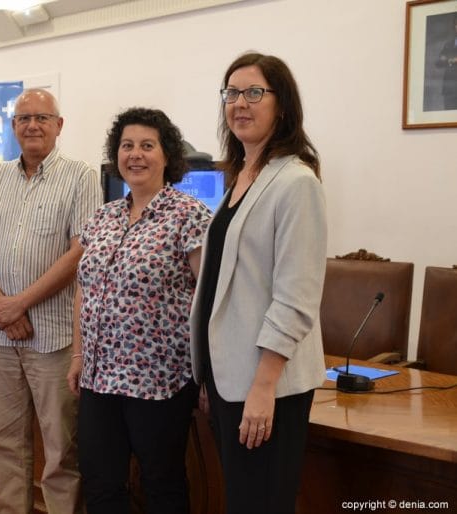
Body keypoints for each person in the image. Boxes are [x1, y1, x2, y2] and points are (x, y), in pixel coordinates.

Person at [189, 52, 327, 514]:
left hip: (268, 383)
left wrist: (263, 386)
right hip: (230, 377)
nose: (239, 104)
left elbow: (296, 298)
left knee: (262, 504)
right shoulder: (242, 177)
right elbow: (220, 284)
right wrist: (207, 370)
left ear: (281, 105)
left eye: (254, 93)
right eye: (231, 93)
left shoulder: (295, 182)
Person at [67, 107, 212, 514]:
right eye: (127, 146)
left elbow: (212, 301)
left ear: (167, 156)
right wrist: (78, 354)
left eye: (148, 146)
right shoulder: (103, 217)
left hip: (160, 381)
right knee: (100, 483)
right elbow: (85, 289)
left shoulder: (190, 216)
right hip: (99, 378)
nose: (136, 154)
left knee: (161, 484)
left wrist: (208, 376)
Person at [0, 88, 101, 514]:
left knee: (61, 450)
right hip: (3, 337)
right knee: (4, 441)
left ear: (59, 125)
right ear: (13, 128)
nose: (32, 126)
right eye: (24, 119)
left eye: (42, 118)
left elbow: (80, 250)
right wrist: (0, 304)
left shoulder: (81, 177)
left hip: (55, 339)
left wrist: (18, 303)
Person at [436, 15, 457, 110]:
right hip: (449, 89)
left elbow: (444, 59)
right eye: (456, 24)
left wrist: (447, 59)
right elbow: (438, 63)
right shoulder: (448, 44)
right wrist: (451, 60)